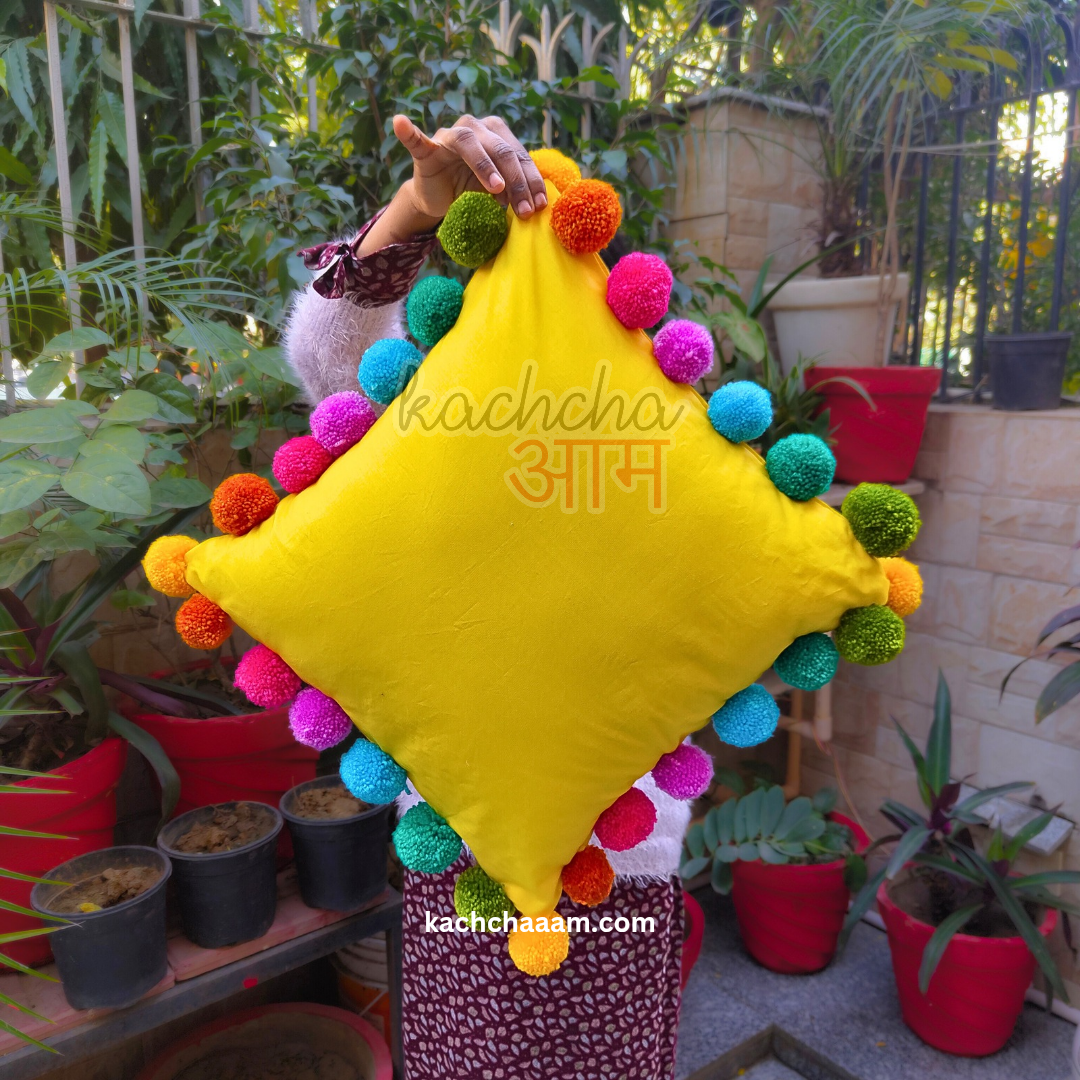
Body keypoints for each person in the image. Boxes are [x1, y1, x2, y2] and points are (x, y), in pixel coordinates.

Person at [285, 113, 687, 1080]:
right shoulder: (442, 441)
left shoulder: (655, 444)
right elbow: (330, 364)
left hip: (625, 862)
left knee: (618, 1061)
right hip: (461, 849)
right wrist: (412, 213)